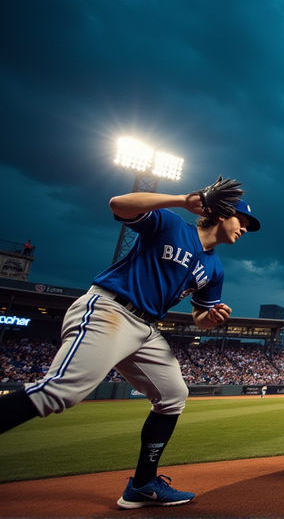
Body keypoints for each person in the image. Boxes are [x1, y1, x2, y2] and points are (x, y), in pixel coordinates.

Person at [0, 183, 260, 509]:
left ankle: (142, 485)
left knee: (173, 395)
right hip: (111, 309)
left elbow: (199, 318)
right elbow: (119, 204)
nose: (245, 229)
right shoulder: (171, 224)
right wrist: (182, 200)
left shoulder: (215, 269)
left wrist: (212, 318)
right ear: (222, 216)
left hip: (145, 329)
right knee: (60, 391)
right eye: (243, 221)